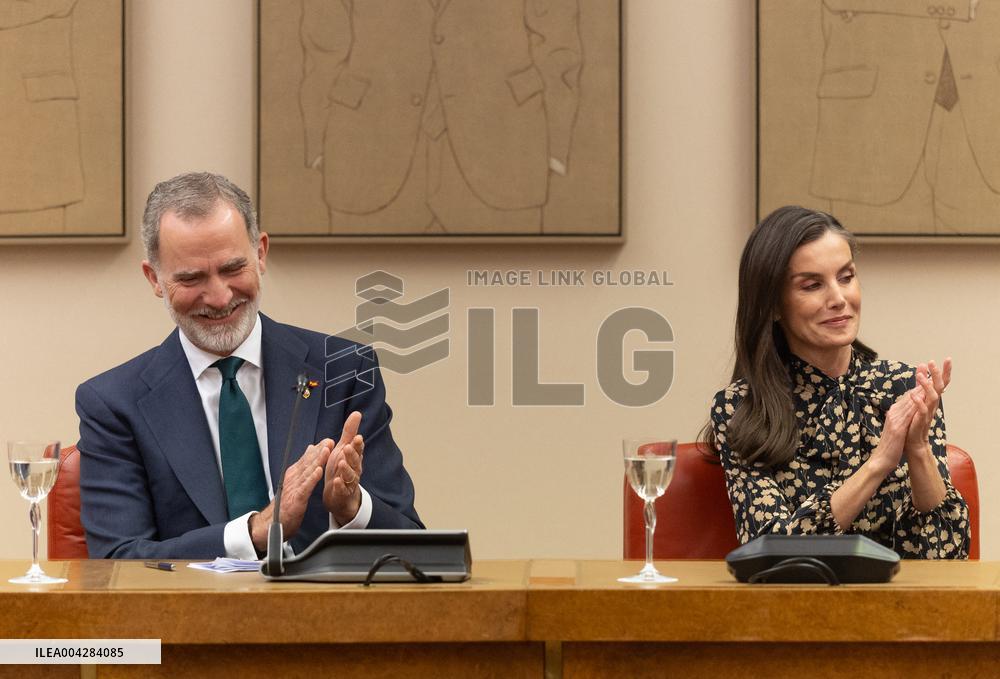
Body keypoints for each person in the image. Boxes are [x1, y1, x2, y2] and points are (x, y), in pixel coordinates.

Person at [76, 172, 422, 559]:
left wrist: (351, 509)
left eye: (232, 269)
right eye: (191, 278)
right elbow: (117, 561)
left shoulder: (344, 370)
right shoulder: (113, 403)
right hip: (186, 617)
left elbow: (411, 542)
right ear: (154, 278)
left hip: (325, 615)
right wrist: (256, 532)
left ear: (260, 253)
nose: (219, 296)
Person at [706, 206, 968, 558]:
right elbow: (769, 551)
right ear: (773, 306)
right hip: (792, 608)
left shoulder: (905, 389)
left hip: (900, 608)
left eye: (846, 277)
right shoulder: (740, 408)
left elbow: (949, 555)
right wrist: (878, 465)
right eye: (813, 285)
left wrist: (918, 450)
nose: (839, 299)